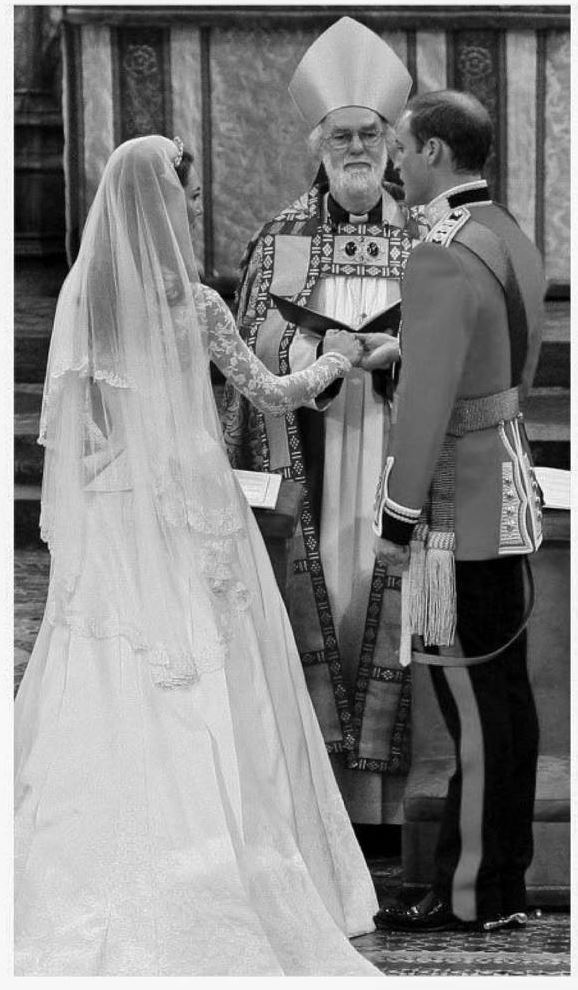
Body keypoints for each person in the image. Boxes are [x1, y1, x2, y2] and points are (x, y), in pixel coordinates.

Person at [14, 134, 387, 977]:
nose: (190, 208)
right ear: (161, 204)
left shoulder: (85, 300)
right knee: (221, 665)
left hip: (116, 508)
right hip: (194, 505)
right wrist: (336, 359)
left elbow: (76, 433)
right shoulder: (196, 304)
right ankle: (228, 850)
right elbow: (270, 391)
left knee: (113, 660)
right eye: (184, 196)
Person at [223, 16, 426, 826]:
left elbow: (452, 339)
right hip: (309, 452)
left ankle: (387, 809)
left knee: (384, 597)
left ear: (390, 142)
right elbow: (250, 344)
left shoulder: (426, 235)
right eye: (341, 135)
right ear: (318, 144)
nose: (356, 148)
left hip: (392, 450)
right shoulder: (280, 236)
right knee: (319, 595)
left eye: (368, 134)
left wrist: (395, 355)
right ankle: (319, 800)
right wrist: (318, 351)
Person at [371, 90, 544, 932]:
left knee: (473, 709)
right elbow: (497, 357)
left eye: (403, 149)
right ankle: (501, 882)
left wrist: (396, 518)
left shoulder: (436, 256)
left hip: (452, 509)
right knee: (505, 697)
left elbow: (427, 407)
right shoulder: (506, 231)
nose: (396, 163)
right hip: (504, 488)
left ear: (435, 152)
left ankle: (470, 892)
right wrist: (407, 349)